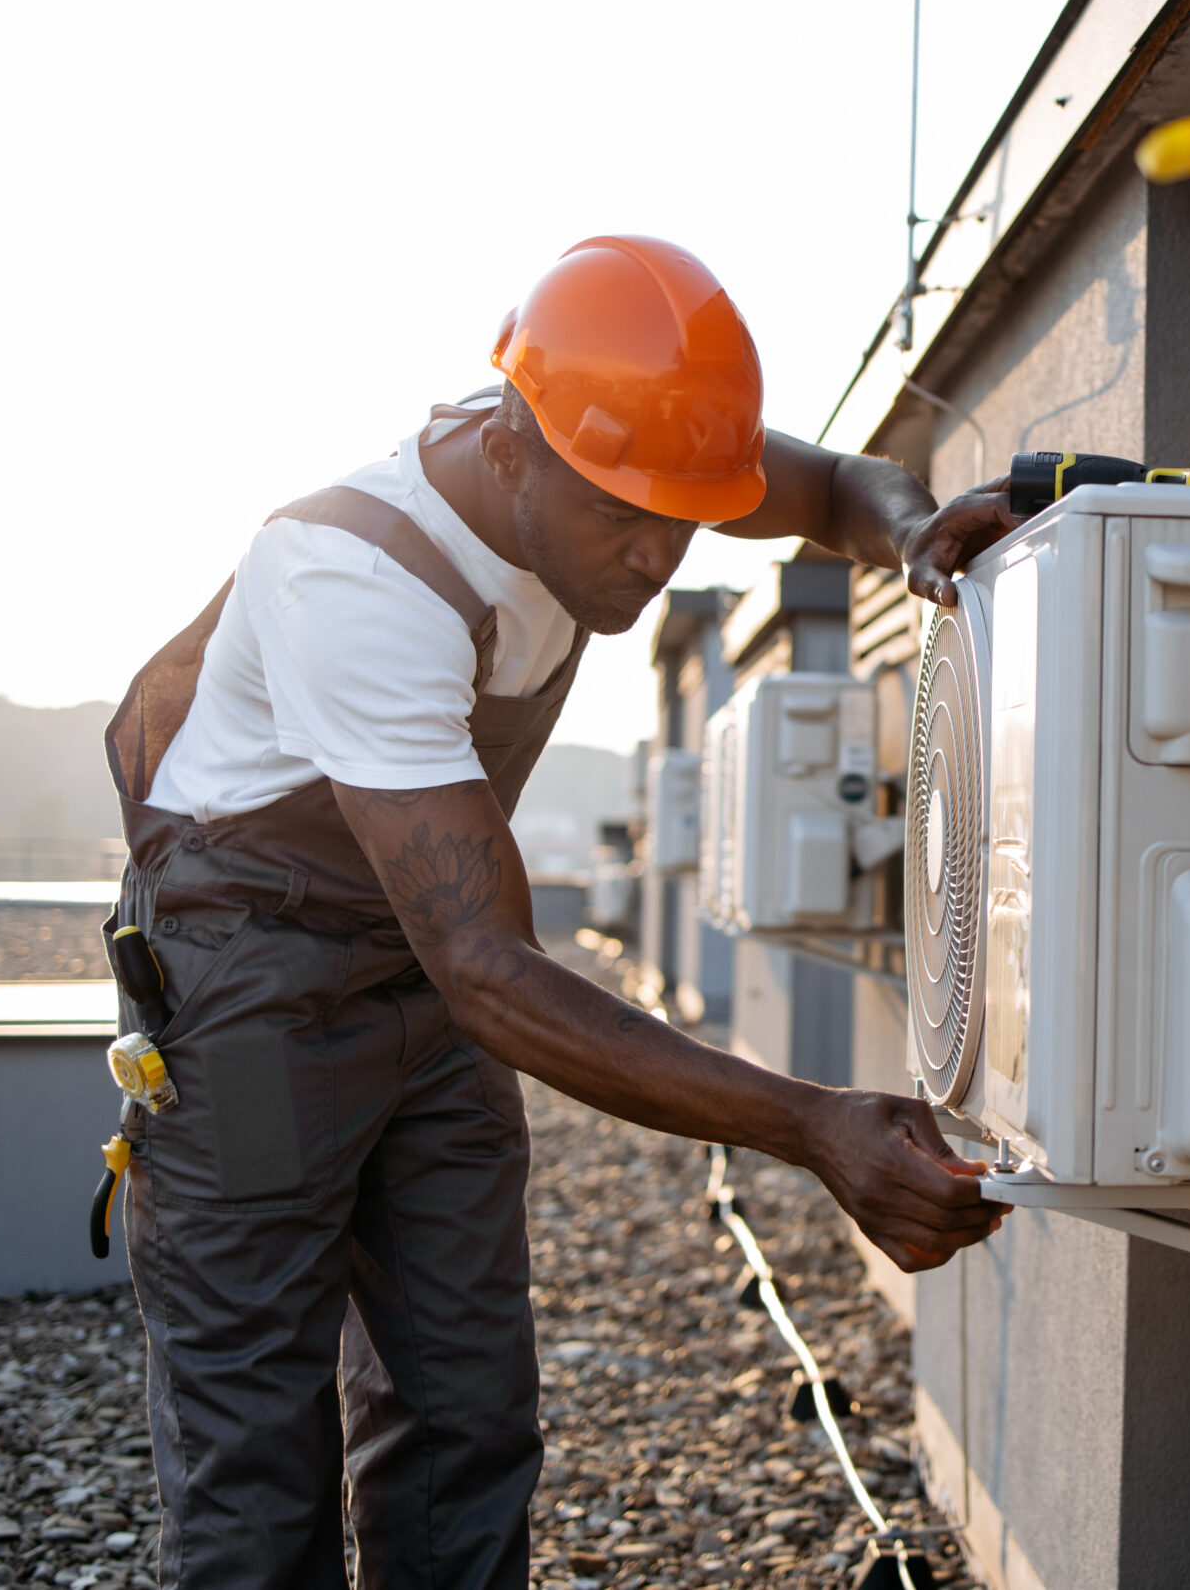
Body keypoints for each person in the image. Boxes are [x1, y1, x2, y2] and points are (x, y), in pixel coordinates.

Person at [99, 235, 1014, 1590]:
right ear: (513, 449)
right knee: (256, 1453)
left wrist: (907, 529)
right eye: (622, 518)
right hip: (253, 981)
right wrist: (811, 1124)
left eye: (683, 521)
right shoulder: (354, 578)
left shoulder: (626, 450)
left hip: (425, 975)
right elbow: (491, 970)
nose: (655, 560)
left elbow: (825, 481)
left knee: (464, 1409)